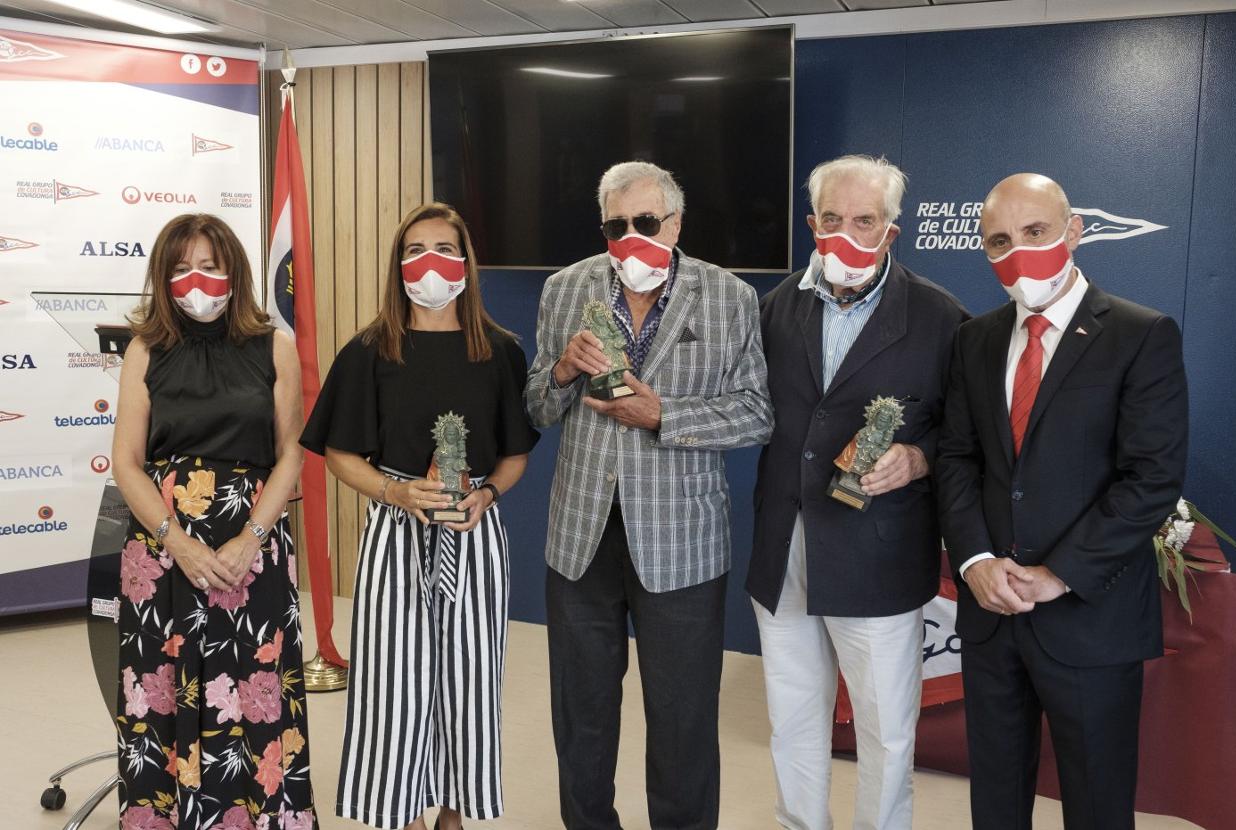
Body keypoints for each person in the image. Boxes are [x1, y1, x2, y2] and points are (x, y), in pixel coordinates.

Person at [525, 160, 773, 830]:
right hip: (581, 540)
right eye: (616, 224)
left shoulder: (729, 297)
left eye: (646, 222)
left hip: (683, 545)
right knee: (581, 717)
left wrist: (666, 416)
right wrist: (564, 369)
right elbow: (536, 406)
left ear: (676, 222)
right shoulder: (565, 287)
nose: (630, 236)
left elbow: (757, 413)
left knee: (683, 717)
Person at [936, 173, 1188, 829]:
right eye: (998, 241)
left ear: (1074, 231)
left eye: (1035, 232)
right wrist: (974, 562)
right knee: (995, 800)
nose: (1017, 252)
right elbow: (959, 458)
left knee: (1098, 804)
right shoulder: (975, 339)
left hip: (1089, 618)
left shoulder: (1141, 334)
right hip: (992, 615)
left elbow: (1151, 478)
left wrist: (1057, 575)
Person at [301, 202, 538, 830]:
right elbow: (338, 453)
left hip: (474, 531)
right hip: (396, 528)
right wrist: (394, 492)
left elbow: (515, 456)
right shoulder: (370, 351)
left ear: (466, 261)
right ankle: (400, 810)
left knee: (470, 677)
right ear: (397, 264)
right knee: (393, 681)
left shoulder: (502, 353)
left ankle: (454, 813)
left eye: (442, 247)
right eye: (413, 250)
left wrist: (485, 497)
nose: (428, 261)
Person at [747, 155, 968, 830]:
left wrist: (916, 458)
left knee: (885, 732)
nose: (847, 234)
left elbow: (962, 434)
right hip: (785, 545)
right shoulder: (774, 307)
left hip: (877, 552)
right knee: (793, 719)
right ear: (813, 223)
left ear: (891, 232)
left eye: (865, 221)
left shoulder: (940, 317)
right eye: (833, 219)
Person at [113, 213, 317, 830]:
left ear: (235, 271)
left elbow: (291, 452)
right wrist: (177, 543)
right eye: (179, 269)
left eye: (208, 265)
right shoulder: (145, 351)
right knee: (162, 692)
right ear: (161, 277)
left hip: (250, 550)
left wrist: (250, 536)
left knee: (251, 694)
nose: (195, 279)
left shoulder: (273, 347)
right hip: (162, 551)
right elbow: (126, 462)